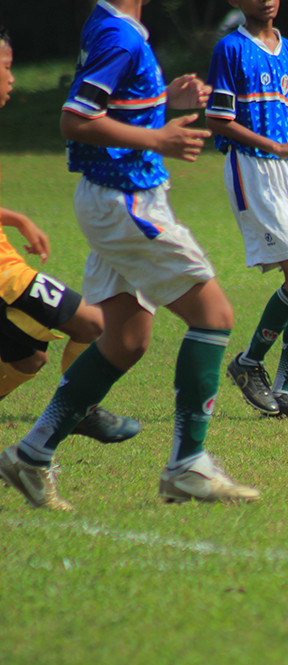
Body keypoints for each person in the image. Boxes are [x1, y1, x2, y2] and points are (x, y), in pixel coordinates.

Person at [0, 0, 259, 511]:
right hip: (126, 200)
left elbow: (112, 109)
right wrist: (157, 136)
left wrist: (166, 103)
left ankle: (31, 456)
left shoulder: (112, 27)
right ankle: (188, 464)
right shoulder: (121, 36)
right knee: (214, 317)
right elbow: (76, 119)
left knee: (126, 339)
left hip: (110, 196)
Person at [0, 25, 140, 444]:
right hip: (6, 276)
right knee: (94, 325)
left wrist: (16, 218)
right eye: (5, 67)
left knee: (28, 360)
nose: (12, 78)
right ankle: (81, 410)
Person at [205, 0, 288, 421]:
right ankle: (247, 362)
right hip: (252, 169)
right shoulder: (230, 49)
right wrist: (275, 146)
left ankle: (283, 391)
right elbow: (219, 121)